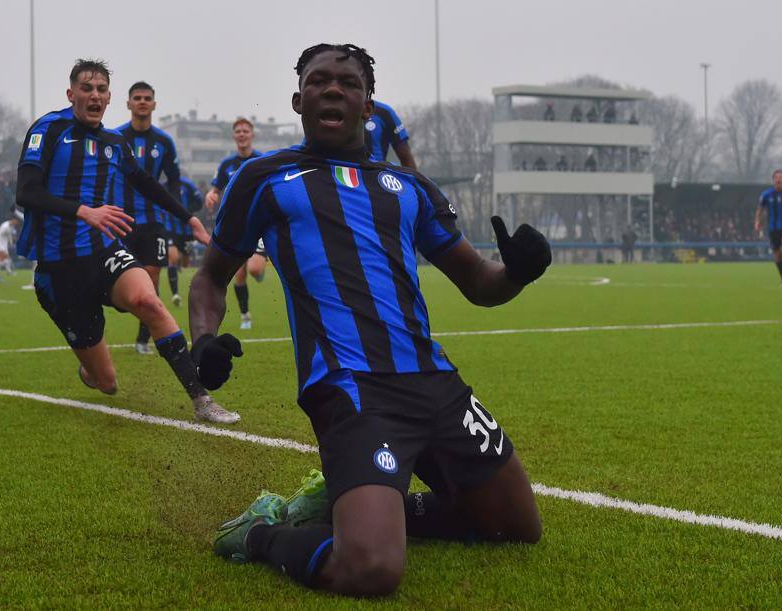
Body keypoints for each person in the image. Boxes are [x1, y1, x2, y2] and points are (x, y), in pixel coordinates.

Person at [189, 43, 550, 597]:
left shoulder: (410, 188)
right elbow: (211, 277)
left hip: (437, 385)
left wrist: (518, 273)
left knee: (517, 528)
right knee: (372, 570)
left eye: (348, 83)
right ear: (298, 99)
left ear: (368, 106)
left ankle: (361, 505)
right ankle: (262, 533)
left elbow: (479, 282)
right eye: (318, 81)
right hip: (353, 390)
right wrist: (205, 340)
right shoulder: (264, 178)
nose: (332, 89)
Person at [16, 58, 239, 424]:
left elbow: (147, 184)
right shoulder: (49, 129)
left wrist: (191, 219)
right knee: (107, 384)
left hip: (102, 252)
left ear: (109, 98)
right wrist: (83, 211)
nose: (94, 95)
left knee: (147, 299)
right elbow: (26, 192)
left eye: (101, 89)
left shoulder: (114, 143)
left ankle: (201, 400)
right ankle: (90, 370)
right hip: (59, 270)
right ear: (71, 94)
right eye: (86, 89)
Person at [112, 81, 183, 355]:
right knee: (119, 284)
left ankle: (144, 337)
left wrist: (173, 210)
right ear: (128, 103)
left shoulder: (164, 142)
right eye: (137, 98)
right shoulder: (115, 138)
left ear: (154, 104)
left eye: (147, 98)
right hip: (121, 221)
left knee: (152, 275)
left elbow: (174, 182)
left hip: (154, 222)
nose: (142, 102)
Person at [204, 118, 266, 330]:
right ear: (234, 136)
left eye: (245, 131)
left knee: (255, 269)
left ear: (252, 135)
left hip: (258, 224)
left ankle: (260, 272)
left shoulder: (262, 161)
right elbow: (215, 188)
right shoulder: (226, 165)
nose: (241, 134)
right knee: (239, 274)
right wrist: (211, 194)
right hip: (236, 226)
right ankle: (245, 314)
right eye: (238, 131)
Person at [163, 176, 203, 307]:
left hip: (186, 231)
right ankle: (175, 294)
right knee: (172, 258)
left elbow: (199, 201)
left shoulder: (187, 185)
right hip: (169, 228)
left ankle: (178, 267)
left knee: (185, 263)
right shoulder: (163, 186)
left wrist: (187, 211)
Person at [364, 99, 417, 170]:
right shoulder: (344, 110)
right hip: (345, 175)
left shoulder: (384, 112)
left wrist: (412, 180)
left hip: (375, 175)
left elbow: (406, 158)